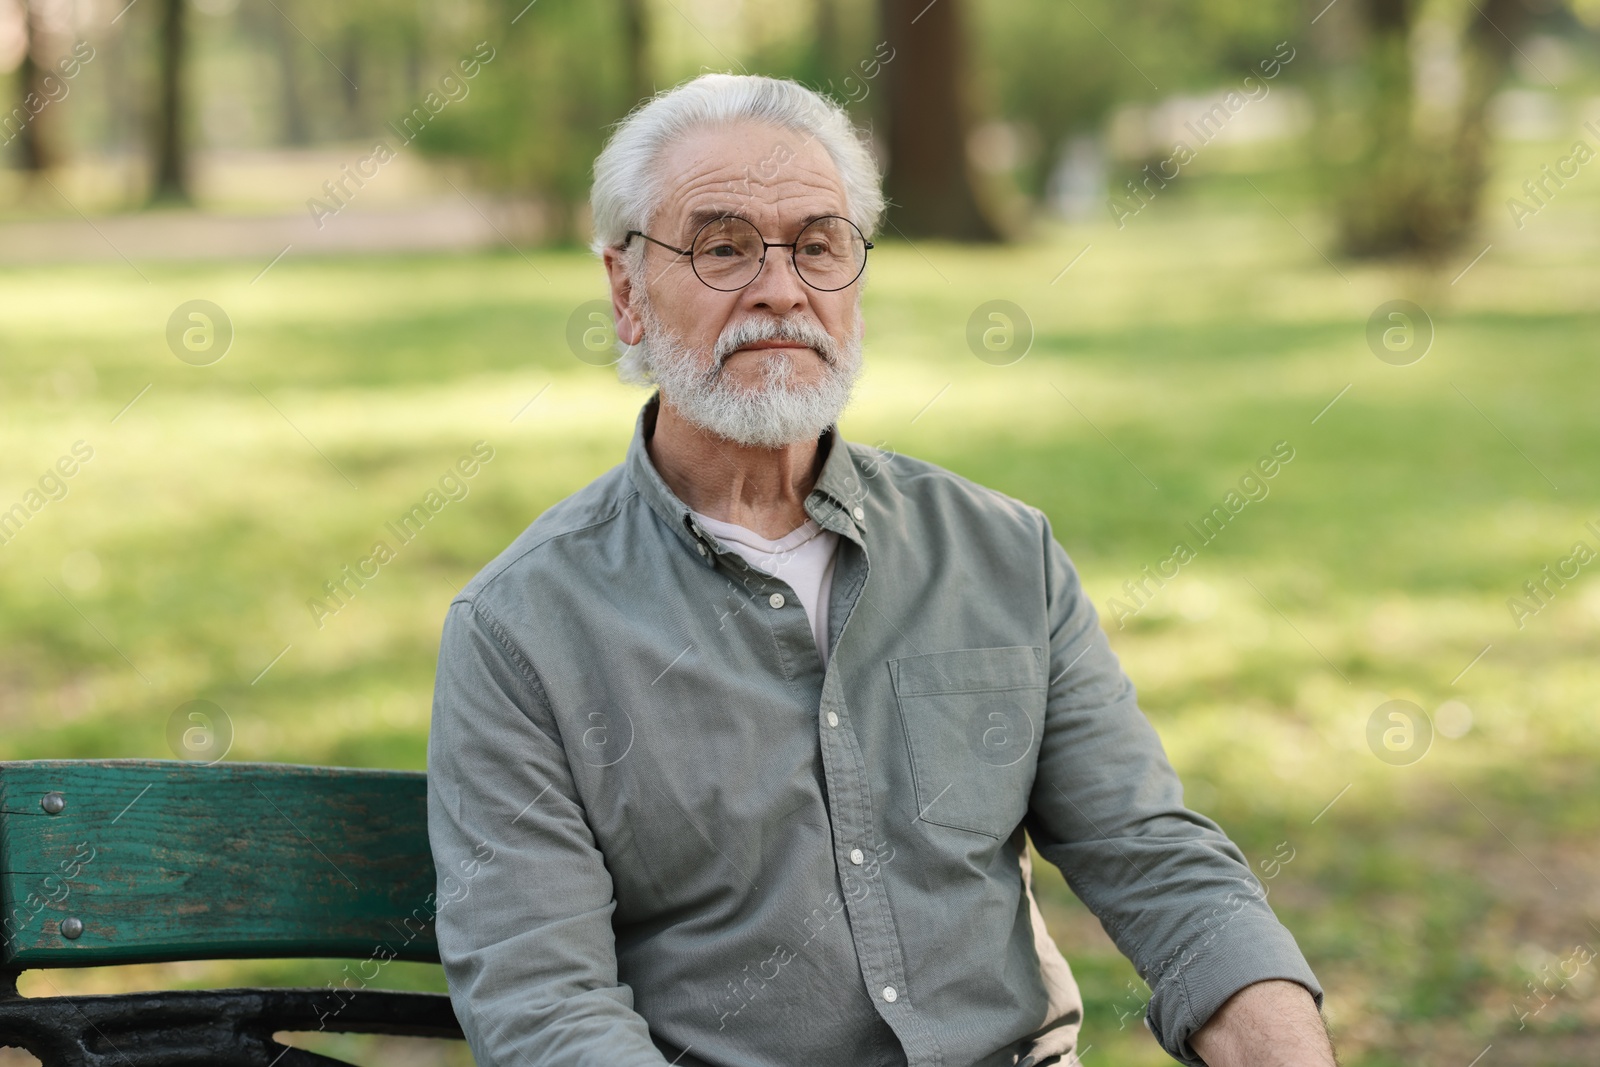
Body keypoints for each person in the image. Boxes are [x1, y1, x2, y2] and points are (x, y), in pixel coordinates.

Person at [426, 73, 1337, 1067]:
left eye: (818, 244)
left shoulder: (1003, 555)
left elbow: (1161, 866)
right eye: (723, 245)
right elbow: (546, 1004)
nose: (781, 287)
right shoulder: (522, 628)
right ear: (625, 291)